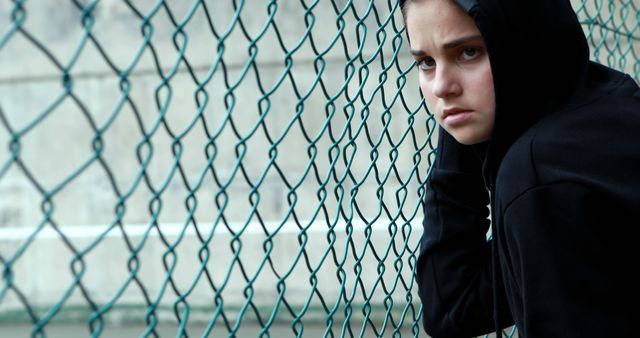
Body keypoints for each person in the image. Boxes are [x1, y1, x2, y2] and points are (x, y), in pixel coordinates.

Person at [400, 0, 640, 337]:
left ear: (520, 41)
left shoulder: (539, 179)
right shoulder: (606, 102)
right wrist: (462, 116)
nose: (441, 86)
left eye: (469, 52)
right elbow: (454, 303)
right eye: (426, 62)